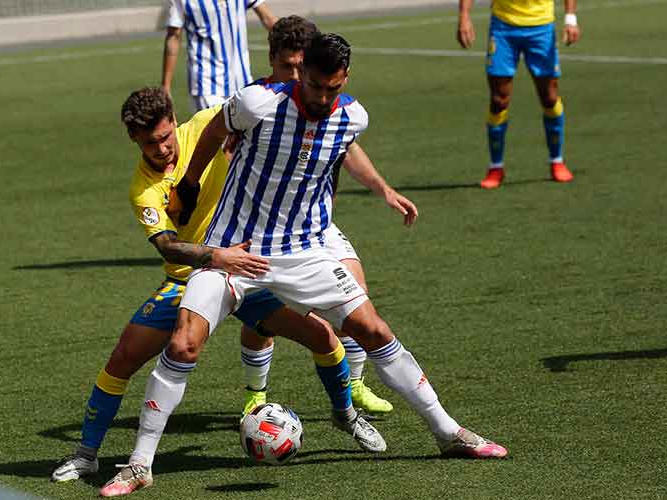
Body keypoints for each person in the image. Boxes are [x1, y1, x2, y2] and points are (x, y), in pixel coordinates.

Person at [107, 32, 508, 495]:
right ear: (301, 74)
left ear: (344, 80)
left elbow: (340, 154)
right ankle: (140, 465)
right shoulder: (258, 103)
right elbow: (217, 127)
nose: (322, 97)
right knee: (183, 344)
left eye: (332, 88)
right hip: (235, 249)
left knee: (373, 329)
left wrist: (372, 193)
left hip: (303, 252)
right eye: (315, 86)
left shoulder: (353, 117)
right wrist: (191, 184)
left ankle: (447, 432)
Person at [50, 87, 386, 495]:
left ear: (174, 122)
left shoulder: (203, 126)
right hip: (188, 280)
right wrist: (216, 256)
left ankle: (345, 415)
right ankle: (87, 454)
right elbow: (168, 246)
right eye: (149, 142)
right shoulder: (143, 189)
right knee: (123, 357)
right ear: (134, 141)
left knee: (323, 336)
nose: (161, 148)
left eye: (165, 136)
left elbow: (258, 109)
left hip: (250, 270)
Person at [239, 15, 406, 417]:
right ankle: (255, 394)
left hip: (315, 223)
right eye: (287, 68)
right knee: (265, 316)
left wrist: (383, 188)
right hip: (264, 227)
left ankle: (353, 387)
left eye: (302, 68)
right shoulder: (259, 103)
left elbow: (345, 146)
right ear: (273, 61)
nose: (297, 77)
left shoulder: (329, 102)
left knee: (357, 297)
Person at [456, 0, 580, 188]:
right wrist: (464, 16)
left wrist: (570, 18)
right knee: (499, 99)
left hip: (541, 27)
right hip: (503, 28)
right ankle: (496, 167)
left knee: (549, 97)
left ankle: (557, 160)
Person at [162, 0, 277, 112]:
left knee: (247, 130)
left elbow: (268, 18)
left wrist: (292, 38)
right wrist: (166, 86)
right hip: (206, 84)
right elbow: (174, 36)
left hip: (243, 81)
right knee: (218, 130)